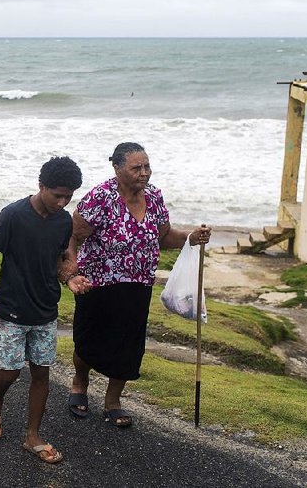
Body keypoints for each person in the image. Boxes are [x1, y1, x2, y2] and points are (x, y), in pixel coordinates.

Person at [65, 142, 211, 427]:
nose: (144, 173)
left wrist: (191, 238)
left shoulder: (154, 196)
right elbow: (72, 236)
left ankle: (113, 401)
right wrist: (71, 269)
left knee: (128, 345)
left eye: (147, 166)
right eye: (136, 168)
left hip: (138, 284)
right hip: (98, 284)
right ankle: (79, 384)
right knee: (89, 339)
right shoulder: (100, 197)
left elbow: (164, 236)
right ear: (117, 168)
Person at [0, 156, 89, 465]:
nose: (63, 201)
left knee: (42, 374)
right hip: (12, 310)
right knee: (10, 371)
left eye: (69, 196)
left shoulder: (63, 220)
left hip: (45, 310)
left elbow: (57, 260)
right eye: (58, 195)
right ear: (42, 186)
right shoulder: (13, 215)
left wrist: (69, 278)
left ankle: (32, 436)